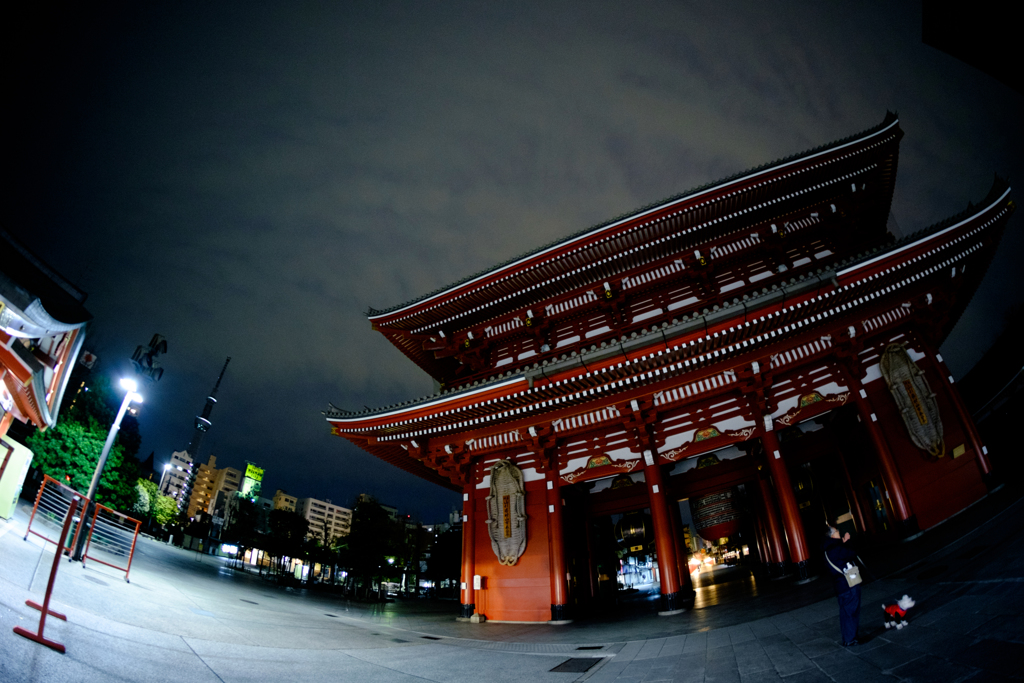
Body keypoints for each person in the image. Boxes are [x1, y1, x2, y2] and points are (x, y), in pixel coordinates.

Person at [823, 524, 861, 646]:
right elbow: (851, 553)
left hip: (839, 586)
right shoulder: (836, 548)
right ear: (832, 535)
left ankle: (847, 637)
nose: (839, 532)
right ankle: (851, 639)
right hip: (848, 583)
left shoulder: (827, 549)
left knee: (845, 613)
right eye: (837, 531)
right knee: (851, 612)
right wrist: (848, 541)